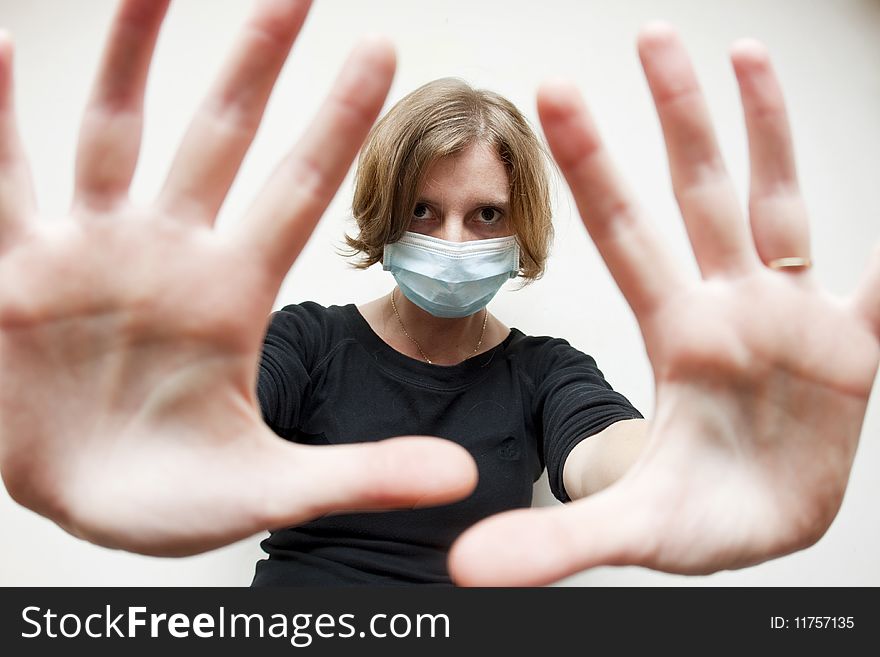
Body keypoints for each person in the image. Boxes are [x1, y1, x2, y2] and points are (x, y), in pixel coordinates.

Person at [0, 0, 878, 586]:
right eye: (424, 208)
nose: (453, 241)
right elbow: (226, 414)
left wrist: (697, 460)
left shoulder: (544, 372)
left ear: (520, 226)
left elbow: (608, 453)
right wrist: (134, 425)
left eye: (486, 213)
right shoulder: (307, 341)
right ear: (384, 213)